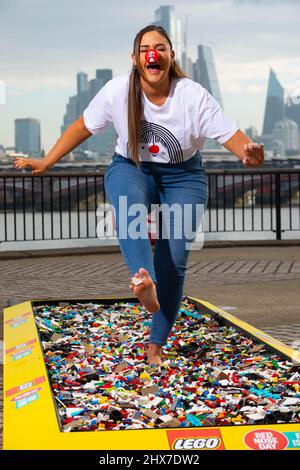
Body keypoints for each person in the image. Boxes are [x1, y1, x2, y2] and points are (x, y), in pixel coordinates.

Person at [14, 25, 264, 365]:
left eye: (160, 47)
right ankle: (143, 281)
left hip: (184, 177)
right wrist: (47, 161)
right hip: (132, 167)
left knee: (173, 262)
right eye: (146, 48)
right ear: (135, 59)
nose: (153, 53)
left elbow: (233, 136)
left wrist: (247, 154)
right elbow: (81, 127)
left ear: (171, 56)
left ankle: (155, 345)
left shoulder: (192, 95)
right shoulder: (118, 90)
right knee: (128, 203)